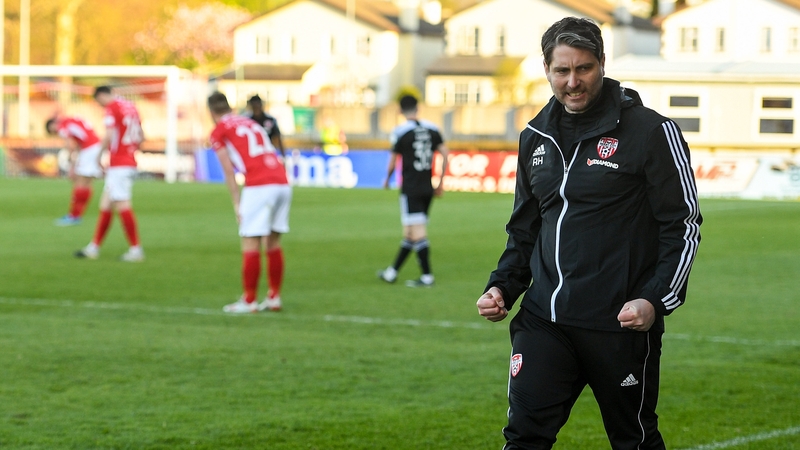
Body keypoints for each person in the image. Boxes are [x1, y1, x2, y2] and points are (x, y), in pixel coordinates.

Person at [475, 17, 702, 449]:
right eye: (562, 71)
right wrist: (502, 286)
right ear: (546, 70)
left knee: (632, 440)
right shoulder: (534, 136)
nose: (573, 82)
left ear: (602, 64)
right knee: (523, 437)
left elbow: (683, 225)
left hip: (619, 325)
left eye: (584, 69)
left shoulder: (652, 132)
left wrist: (655, 300)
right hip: (545, 322)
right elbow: (524, 228)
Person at [208, 91, 292, 314]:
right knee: (273, 242)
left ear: (211, 112)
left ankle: (250, 300)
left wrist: (237, 202)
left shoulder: (219, 130)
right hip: (282, 181)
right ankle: (274, 297)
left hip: (259, 184)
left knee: (250, 241)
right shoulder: (248, 120)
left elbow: (228, 171)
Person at [378, 95, 449, 287]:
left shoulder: (400, 131)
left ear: (400, 110)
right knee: (410, 232)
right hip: (427, 188)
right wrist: (440, 182)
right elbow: (444, 153)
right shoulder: (432, 128)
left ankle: (427, 276)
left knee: (417, 232)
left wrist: (387, 179)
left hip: (411, 188)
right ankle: (391, 273)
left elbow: (393, 160)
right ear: (418, 108)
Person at [75, 86, 145, 262]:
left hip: (119, 163)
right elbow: (141, 136)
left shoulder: (112, 107)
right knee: (106, 204)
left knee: (122, 204)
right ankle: (94, 248)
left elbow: (109, 134)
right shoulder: (130, 106)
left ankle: (136, 250)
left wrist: (98, 156)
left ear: (101, 96)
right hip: (128, 159)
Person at [46, 115, 103, 226]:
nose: (56, 132)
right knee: (87, 183)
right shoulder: (71, 120)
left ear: (53, 124)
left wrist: (72, 166)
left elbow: (69, 145)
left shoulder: (62, 124)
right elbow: (79, 139)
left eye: (53, 130)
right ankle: (77, 215)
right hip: (95, 146)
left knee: (79, 182)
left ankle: (73, 216)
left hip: (89, 149)